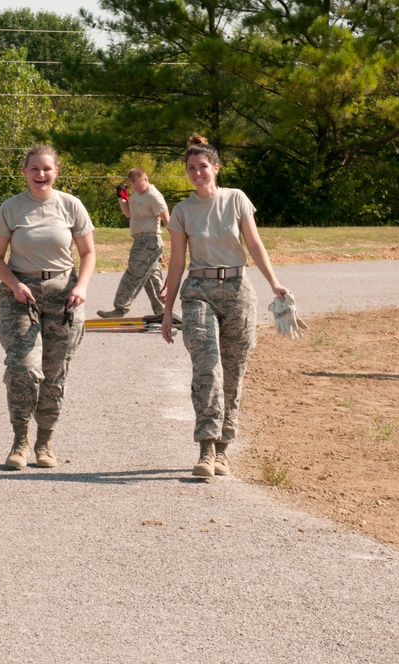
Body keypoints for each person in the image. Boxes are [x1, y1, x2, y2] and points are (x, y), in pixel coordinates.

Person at [161, 134, 289, 478]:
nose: (197, 173)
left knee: (233, 372)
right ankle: (205, 446)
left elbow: (255, 244)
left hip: (237, 289)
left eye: (203, 166)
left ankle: (222, 450)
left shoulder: (236, 200)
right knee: (207, 367)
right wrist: (167, 311)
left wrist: (273, 282)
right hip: (198, 290)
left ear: (216, 168)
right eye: (191, 168)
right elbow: (176, 263)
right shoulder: (183, 210)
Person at [0, 145, 96, 470]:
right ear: (25, 172)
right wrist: (15, 284)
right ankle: (19, 442)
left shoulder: (71, 206)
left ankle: (44, 442)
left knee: (54, 373)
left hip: (64, 296)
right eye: (34, 169)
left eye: (46, 169)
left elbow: (88, 254)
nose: (41, 175)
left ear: (56, 172)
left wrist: (81, 287)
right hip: (21, 295)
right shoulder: (11, 209)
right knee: (22, 367)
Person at [97, 168, 169, 318]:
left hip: (149, 241)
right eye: (134, 187)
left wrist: (178, 243)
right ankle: (163, 311)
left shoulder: (153, 195)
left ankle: (120, 309)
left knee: (133, 274)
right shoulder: (137, 195)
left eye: (139, 186)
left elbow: (167, 220)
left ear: (146, 179)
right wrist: (121, 197)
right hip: (141, 240)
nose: (137, 189)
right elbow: (128, 213)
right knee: (152, 277)